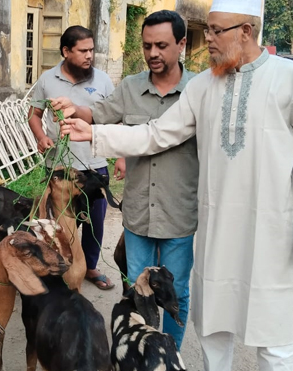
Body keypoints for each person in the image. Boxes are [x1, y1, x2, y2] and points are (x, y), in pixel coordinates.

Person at [59, 1, 293, 371]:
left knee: (272, 330)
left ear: (247, 30)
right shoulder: (203, 86)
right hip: (216, 226)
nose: (210, 40)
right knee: (214, 319)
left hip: (269, 229)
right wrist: (96, 135)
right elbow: (155, 134)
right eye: (209, 30)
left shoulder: (290, 79)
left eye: (218, 31)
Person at [49, 10, 198, 348]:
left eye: (161, 45)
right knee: (137, 290)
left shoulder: (199, 91)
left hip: (181, 214)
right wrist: (72, 108)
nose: (153, 53)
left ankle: (169, 354)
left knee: (178, 293)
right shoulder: (130, 87)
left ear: (181, 44)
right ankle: (140, 353)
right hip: (138, 213)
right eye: (147, 46)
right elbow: (98, 114)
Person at [27, 25, 116, 290]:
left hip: (94, 165)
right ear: (66, 51)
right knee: (59, 223)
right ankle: (61, 266)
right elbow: (34, 116)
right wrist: (41, 137)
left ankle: (90, 267)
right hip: (59, 167)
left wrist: (119, 156)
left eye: (92, 50)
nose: (90, 56)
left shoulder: (103, 81)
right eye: (83, 51)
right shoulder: (47, 80)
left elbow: (113, 118)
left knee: (94, 222)